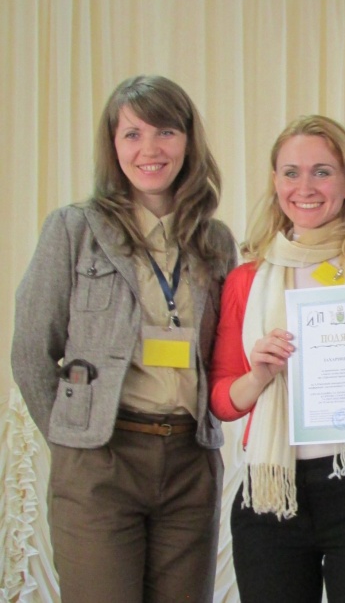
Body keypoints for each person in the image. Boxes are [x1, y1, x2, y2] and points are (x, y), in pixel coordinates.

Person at [11, 75, 237, 602]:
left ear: (188, 141)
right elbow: (31, 351)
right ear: (113, 145)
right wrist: (74, 439)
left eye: (165, 132)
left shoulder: (215, 242)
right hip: (100, 462)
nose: (149, 150)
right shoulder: (74, 229)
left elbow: (226, 353)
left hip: (190, 463)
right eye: (132, 134)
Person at [209, 114, 345, 603]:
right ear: (275, 182)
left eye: (322, 172)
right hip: (271, 490)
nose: (304, 187)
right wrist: (259, 375)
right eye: (291, 172)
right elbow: (222, 400)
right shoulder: (247, 279)